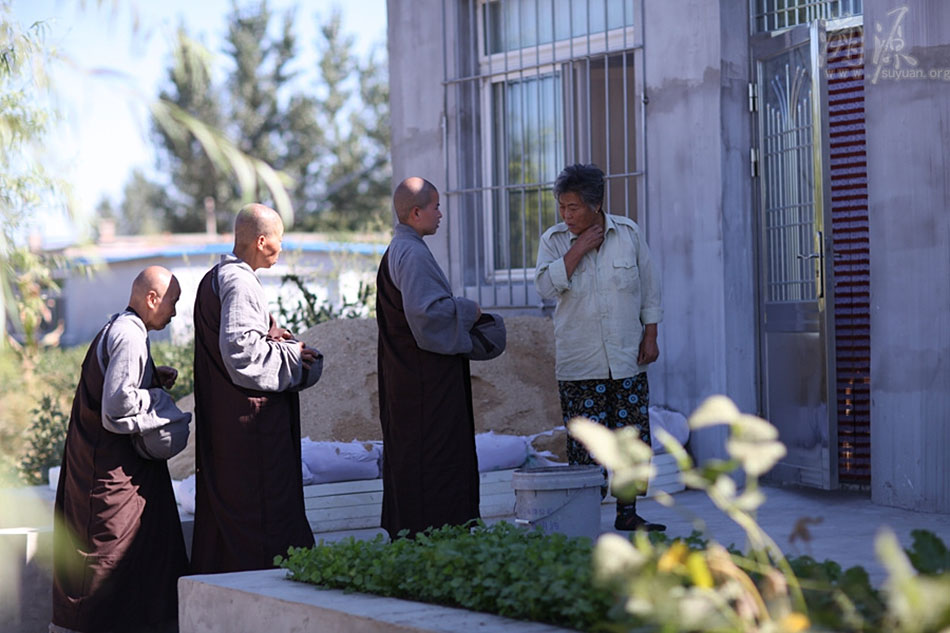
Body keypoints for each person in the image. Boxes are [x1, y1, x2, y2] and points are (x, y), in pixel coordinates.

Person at [51, 266, 190, 633]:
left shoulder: (122, 326)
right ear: (151, 298)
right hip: (110, 472)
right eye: (172, 302)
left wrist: (149, 377)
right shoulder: (129, 335)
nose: (174, 312)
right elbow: (116, 410)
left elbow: (113, 386)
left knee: (142, 556)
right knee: (107, 561)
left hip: (109, 467)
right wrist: (158, 399)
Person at [190, 203, 323, 573]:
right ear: (262, 241)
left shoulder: (216, 277)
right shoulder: (240, 281)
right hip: (251, 431)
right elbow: (241, 352)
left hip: (226, 424)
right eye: (279, 241)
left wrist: (270, 336)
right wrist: (292, 354)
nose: (281, 248)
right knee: (263, 519)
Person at [535, 163, 666, 532]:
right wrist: (578, 249)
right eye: (562, 207)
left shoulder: (628, 233)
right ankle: (585, 518)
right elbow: (545, 287)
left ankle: (628, 515)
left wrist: (651, 334)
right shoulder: (554, 240)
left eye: (573, 207)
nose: (566, 215)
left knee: (631, 438)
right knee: (585, 447)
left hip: (626, 358)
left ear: (596, 204)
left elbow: (649, 287)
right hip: (581, 362)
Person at [376, 176, 490, 539]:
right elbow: (426, 316)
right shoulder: (410, 254)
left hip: (412, 382)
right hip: (425, 386)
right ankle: (437, 539)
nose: (441, 214)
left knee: (418, 459)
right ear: (415, 212)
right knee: (434, 461)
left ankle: (421, 535)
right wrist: (468, 310)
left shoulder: (403, 249)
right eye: (436, 206)